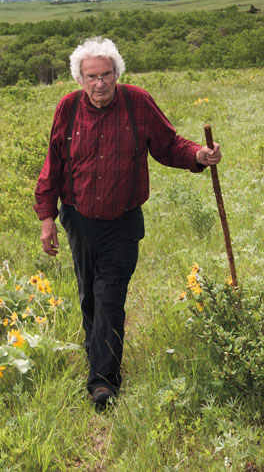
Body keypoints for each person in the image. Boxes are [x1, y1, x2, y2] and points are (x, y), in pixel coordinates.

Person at [34, 36, 221, 412]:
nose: (99, 83)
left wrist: (199, 155)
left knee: (109, 296)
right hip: (79, 217)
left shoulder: (137, 102)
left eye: (106, 75)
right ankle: (97, 349)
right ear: (79, 78)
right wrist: (47, 218)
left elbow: (168, 145)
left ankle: (103, 381)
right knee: (89, 294)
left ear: (117, 74)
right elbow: (54, 163)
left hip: (122, 221)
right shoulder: (67, 109)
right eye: (91, 76)